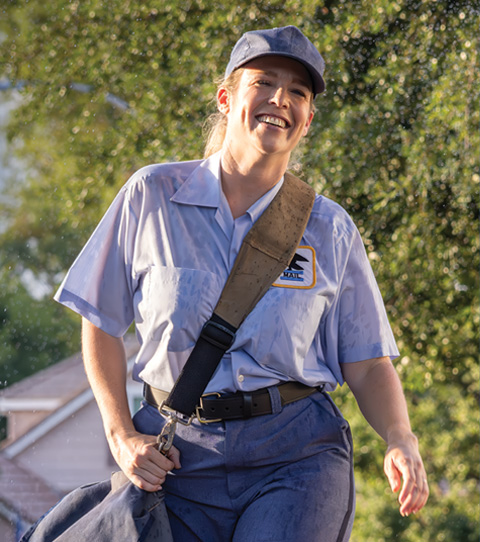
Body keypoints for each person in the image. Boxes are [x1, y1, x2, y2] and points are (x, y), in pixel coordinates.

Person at [55, 25, 428, 542]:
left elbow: (366, 363)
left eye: (298, 92)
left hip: (295, 456)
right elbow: (100, 322)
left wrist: (399, 437)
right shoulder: (152, 195)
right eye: (264, 83)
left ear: (308, 119)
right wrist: (121, 435)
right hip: (176, 461)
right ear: (228, 98)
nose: (281, 99)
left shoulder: (329, 227)